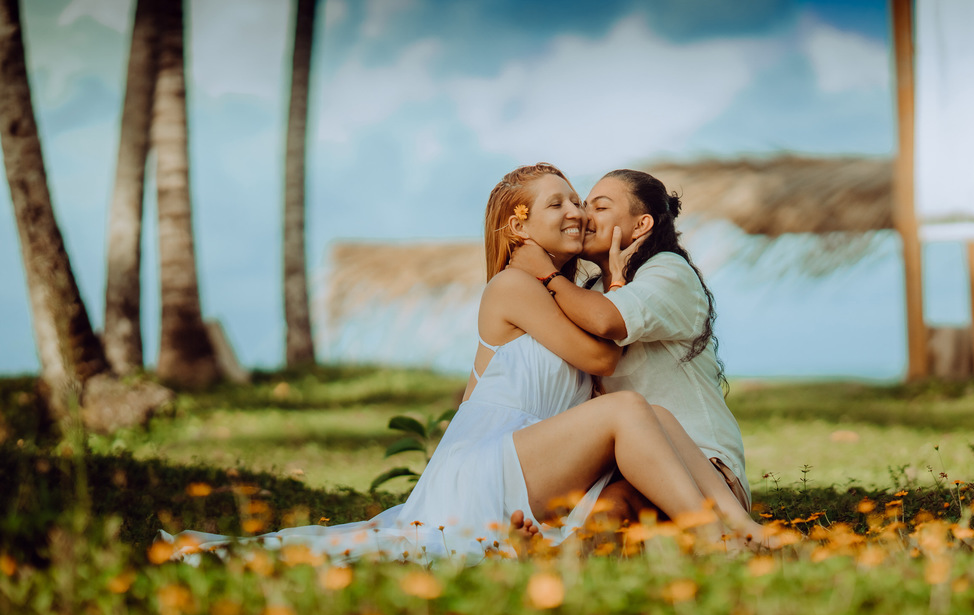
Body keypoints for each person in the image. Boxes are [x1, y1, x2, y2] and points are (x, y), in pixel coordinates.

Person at [164, 164, 764, 565]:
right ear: (517, 226)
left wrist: (569, 277)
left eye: (578, 200)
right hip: (487, 468)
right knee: (629, 409)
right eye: (559, 202)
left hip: (523, 465)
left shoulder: (562, 289)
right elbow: (602, 353)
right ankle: (719, 540)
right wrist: (552, 276)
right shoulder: (515, 287)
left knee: (647, 414)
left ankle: (744, 534)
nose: (577, 211)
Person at [510, 169, 749, 522]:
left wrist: (547, 274)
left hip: (699, 464)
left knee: (615, 509)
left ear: (640, 226)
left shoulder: (667, 271)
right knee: (599, 513)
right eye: (585, 205)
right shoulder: (587, 295)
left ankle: (727, 533)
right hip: (622, 466)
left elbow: (609, 321)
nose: (583, 216)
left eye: (600, 207)